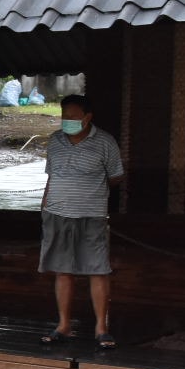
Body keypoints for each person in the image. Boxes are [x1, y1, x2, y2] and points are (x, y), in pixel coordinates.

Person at [38, 94, 124, 349]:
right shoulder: (55, 141)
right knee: (62, 271)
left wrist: (89, 189)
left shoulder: (105, 142)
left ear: (87, 118)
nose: (68, 121)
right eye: (64, 116)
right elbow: (52, 176)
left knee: (98, 270)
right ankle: (63, 325)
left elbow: (116, 176)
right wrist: (44, 206)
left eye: (73, 117)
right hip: (56, 214)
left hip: (91, 215)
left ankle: (101, 329)